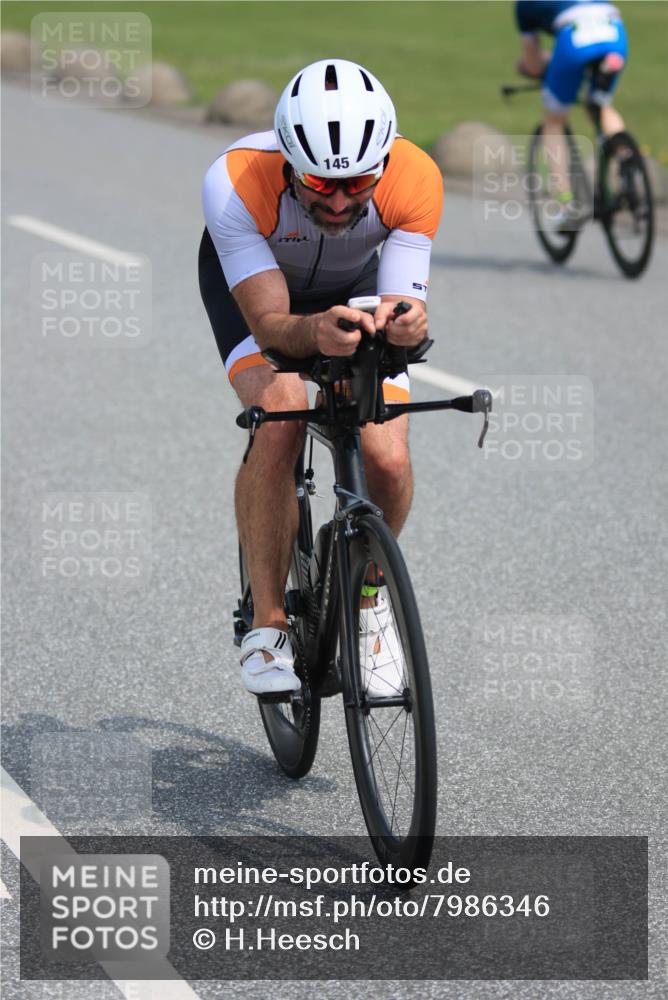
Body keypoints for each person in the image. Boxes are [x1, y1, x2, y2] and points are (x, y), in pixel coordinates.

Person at [199, 58, 443, 695]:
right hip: (262, 297)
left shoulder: (415, 176)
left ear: (383, 165)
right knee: (280, 420)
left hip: (354, 286)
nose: (338, 201)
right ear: (287, 159)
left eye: (358, 184)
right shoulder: (234, 181)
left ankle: (369, 607)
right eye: (318, 183)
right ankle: (268, 623)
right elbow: (274, 324)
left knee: (386, 456)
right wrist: (313, 335)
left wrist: (406, 325)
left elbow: (401, 299)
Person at [514, 1, 628, 227]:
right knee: (600, 105)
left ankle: (567, 205)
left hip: (574, 41)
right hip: (614, 33)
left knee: (554, 121)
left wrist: (528, 66)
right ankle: (628, 168)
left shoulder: (524, 5)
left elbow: (534, 65)